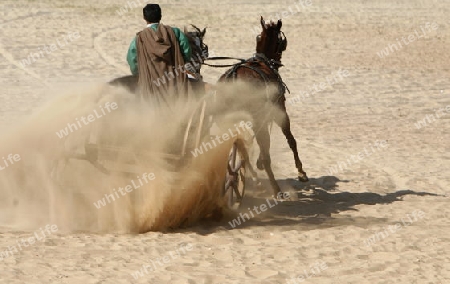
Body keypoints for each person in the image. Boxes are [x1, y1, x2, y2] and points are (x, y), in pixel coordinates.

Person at [126, 4, 192, 102]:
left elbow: (131, 59)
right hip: (175, 79)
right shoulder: (175, 33)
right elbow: (187, 51)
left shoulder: (139, 39)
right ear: (160, 16)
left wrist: (138, 74)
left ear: (144, 18)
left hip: (150, 84)